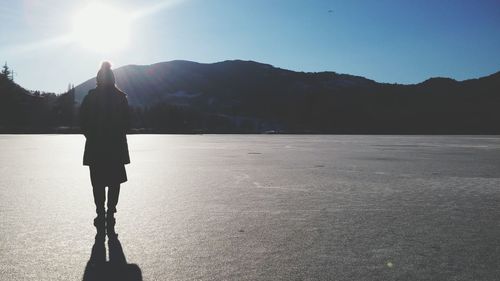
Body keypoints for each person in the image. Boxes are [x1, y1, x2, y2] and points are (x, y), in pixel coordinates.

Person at [80, 61, 130, 233]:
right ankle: (110, 213)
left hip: (96, 147)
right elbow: (127, 123)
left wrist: (92, 136)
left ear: (98, 78)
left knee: (98, 183)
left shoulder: (90, 97)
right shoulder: (121, 97)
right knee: (114, 182)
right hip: (115, 147)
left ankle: (101, 213)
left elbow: (82, 121)